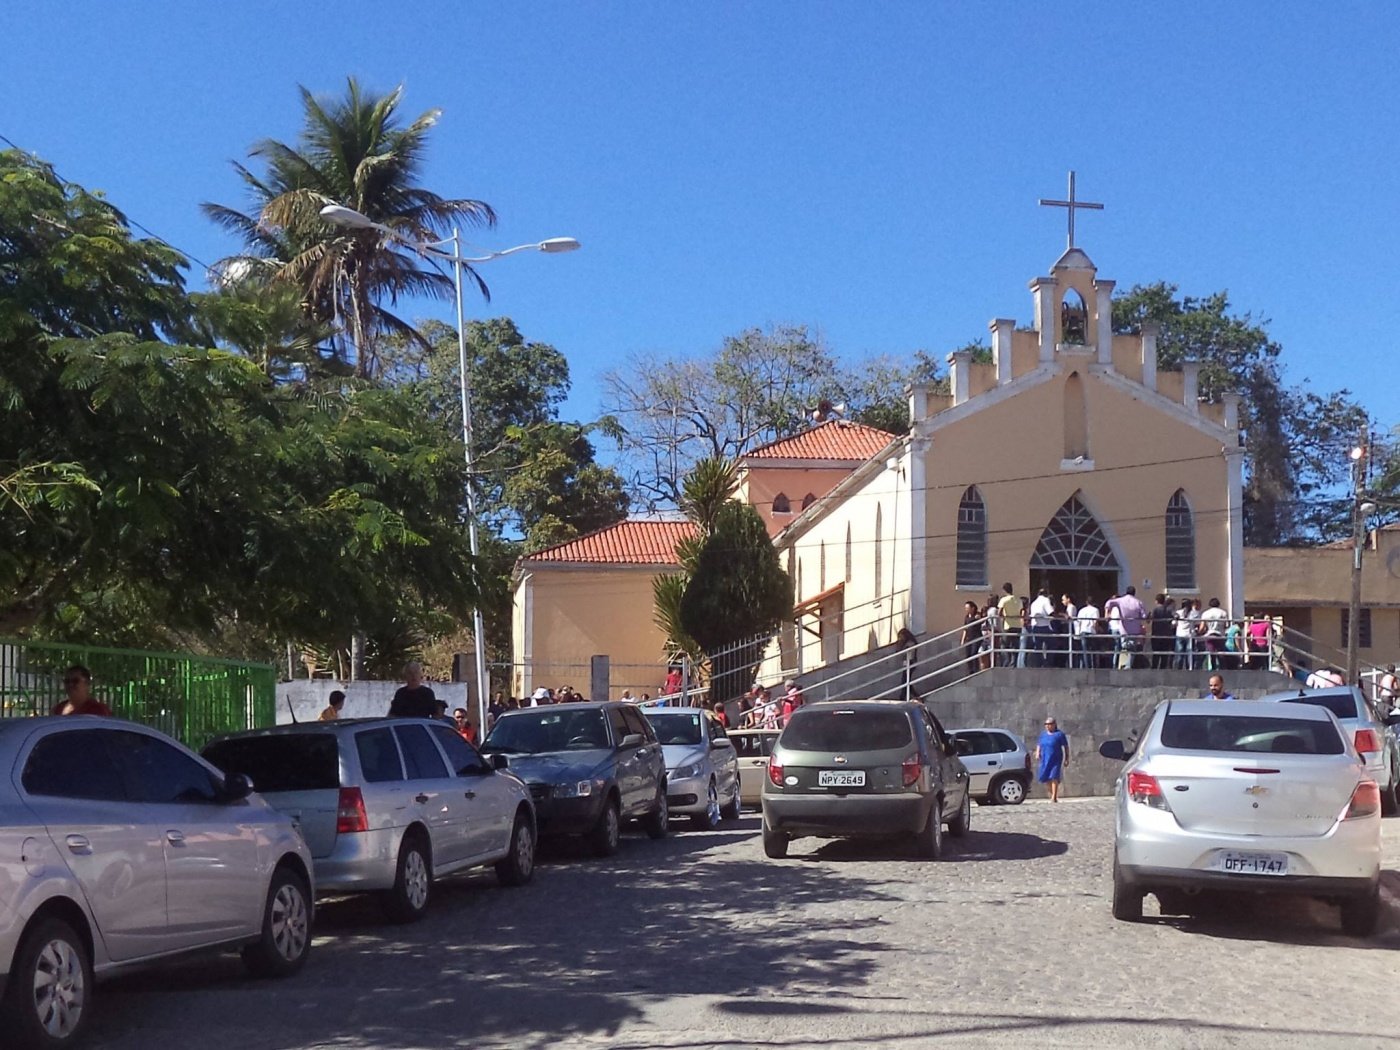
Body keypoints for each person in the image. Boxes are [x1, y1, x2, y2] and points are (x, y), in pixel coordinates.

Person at [1035, 717, 1070, 803]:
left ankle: (1054, 797)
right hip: (1045, 758)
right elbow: (1039, 744)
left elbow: (1066, 746)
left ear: (1054, 725)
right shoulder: (1043, 735)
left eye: (1049, 724)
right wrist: (1037, 752)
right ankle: (1052, 794)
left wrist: (1067, 758)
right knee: (1046, 778)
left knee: (1054, 777)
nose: (1047, 726)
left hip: (1056, 758)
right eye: (1046, 724)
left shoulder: (1059, 734)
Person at [1197, 597, 1229, 670]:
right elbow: (1226, 625)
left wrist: (1199, 633)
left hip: (1209, 635)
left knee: (1212, 653)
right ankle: (1223, 668)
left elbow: (1202, 628)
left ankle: (1213, 668)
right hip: (1220, 635)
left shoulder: (1205, 613)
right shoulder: (1223, 613)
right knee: (1221, 653)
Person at [1027, 588, 1056, 667]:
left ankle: (1039, 664)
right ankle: (1047, 663)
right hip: (1044, 627)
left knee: (1038, 647)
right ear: (1046, 594)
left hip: (1035, 627)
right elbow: (1051, 612)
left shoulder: (1033, 603)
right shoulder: (1045, 600)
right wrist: (1061, 616)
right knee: (1053, 644)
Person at [996, 583, 1021, 667]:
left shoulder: (1004, 599)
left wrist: (1004, 617)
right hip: (1018, 625)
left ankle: (1006, 663)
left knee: (1004, 645)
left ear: (1004, 590)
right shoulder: (1018, 599)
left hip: (1008, 625)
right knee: (1015, 646)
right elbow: (1021, 612)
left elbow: (999, 613)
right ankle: (1013, 664)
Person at [1149, 595, 1175, 670]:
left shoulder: (1155, 610)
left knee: (1156, 655)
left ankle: (1154, 670)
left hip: (1156, 635)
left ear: (1156, 601)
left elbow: (1149, 619)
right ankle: (1162, 670)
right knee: (1164, 656)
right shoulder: (1168, 610)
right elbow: (1175, 616)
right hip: (1166, 635)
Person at [1074, 596, 1101, 669]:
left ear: (1086, 602)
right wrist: (1098, 631)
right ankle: (1094, 666)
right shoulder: (1095, 610)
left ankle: (1087, 667)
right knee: (1093, 650)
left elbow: (1078, 622)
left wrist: (1078, 633)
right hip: (1091, 631)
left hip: (1083, 631)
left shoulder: (1082, 610)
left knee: (1085, 651)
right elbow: (1095, 622)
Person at [960, 600, 983, 673]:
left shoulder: (977, 615)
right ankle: (970, 670)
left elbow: (982, 621)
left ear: (972, 608)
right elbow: (965, 629)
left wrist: (979, 618)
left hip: (976, 637)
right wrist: (963, 639)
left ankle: (976, 669)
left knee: (974, 653)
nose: (966, 609)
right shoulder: (967, 617)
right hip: (969, 638)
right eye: (965, 608)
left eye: (967, 608)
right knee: (968, 655)